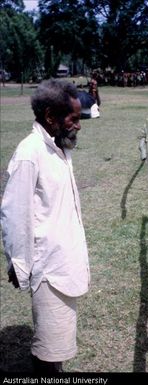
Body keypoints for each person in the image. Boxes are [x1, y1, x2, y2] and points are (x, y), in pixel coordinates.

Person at [1, 79, 90, 373]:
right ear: (50, 117)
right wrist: (20, 265)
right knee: (49, 352)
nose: (78, 125)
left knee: (59, 345)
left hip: (63, 263)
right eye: (73, 119)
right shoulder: (30, 153)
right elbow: (15, 216)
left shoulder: (57, 147)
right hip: (47, 269)